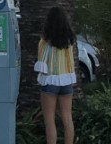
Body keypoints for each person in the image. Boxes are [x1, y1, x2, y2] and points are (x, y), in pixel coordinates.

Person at [35, 7, 78, 144]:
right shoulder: (70, 41)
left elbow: (41, 65)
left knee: (49, 121)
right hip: (67, 81)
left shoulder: (45, 41)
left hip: (50, 82)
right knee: (67, 119)